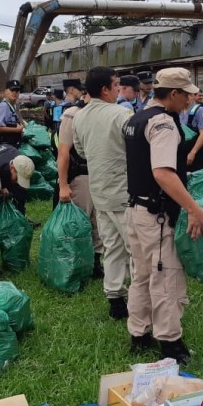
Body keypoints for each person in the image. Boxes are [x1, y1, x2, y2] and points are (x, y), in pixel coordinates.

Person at [124, 68, 203, 364]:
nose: (190, 100)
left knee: (141, 275)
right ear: (173, 94)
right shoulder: (162, 123)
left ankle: (139, 334)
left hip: (135, 209)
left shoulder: (136, 118)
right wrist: (193, 208)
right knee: (166, 278)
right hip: (156, 214)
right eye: (187, 94)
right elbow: (162, 172)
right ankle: (170, 343)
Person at [73, 66, 133, 319]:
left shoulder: (79, 115)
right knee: (135, 248)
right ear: (105, 89)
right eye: (116, 84)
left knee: (112, 246)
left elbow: (82, 151)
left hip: (99, 190)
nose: (119, 89)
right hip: (123, 190)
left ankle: (115, 299)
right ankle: (140, 300)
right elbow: (137, 149)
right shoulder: (122, 114)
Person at [56, 77, 105, 278]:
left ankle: (94, 262)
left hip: (99, 175)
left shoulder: (104, 113)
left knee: (98, 221)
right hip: (81, 175)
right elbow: (63, 151)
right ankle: (74, 263)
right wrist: (63, 184)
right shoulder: (72, 113)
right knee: (80, 220)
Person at [0, 79, 25, 147]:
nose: (15, 92)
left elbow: (19, 121)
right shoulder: (3, 106)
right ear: (6, 91)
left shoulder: (15, 105)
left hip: (12, 144)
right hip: (3, 145)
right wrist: (16, 130)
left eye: (17, 90)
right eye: (12, 90)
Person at [185, 92, 203, 171]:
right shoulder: (177, 110)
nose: (187, 97)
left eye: (189, 95)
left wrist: (193, 152)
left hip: (195, 151)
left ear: (193, 96)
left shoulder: (200, 110)